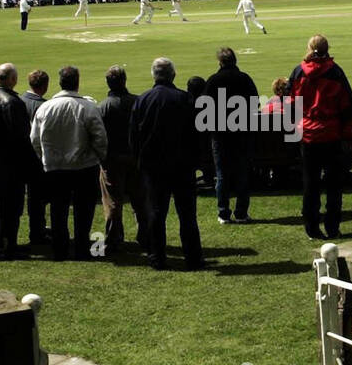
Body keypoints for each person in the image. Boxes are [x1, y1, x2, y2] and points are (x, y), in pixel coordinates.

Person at [130, 57, 203, 271]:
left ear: (154, 75)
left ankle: (157, 257)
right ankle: (193, 257)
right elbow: (196, 134)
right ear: (173, 75)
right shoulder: (185, 99)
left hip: (154, 167)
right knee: (187, 215)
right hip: (182, 166)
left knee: (156, 213)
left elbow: (133, 136)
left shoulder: (143, 100)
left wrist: (140, 161)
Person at [31, 65, 108, 261]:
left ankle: (60, 249)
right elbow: (100, 138)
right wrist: (99, 157)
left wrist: (45, 158)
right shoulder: (87, 107)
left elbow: (34, 139)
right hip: (83, 167)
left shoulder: (45, 107)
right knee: (84, 210)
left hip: (55, 167)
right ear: (77, 82)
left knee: (58, 209)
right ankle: (82, 248)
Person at [287, 34, 352, 240]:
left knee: (311, 184)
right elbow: (346, 106)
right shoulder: (335, 72)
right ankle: (332, 226)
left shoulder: (299, 72)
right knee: (334, 185)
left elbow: (292, 104)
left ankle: (311, 226)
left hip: (309, 134)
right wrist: (348, 136)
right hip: (331, 133)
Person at [0, 62, 34, 260]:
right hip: (11, 165)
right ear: (12, 79)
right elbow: (21, 137)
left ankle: (6, 243)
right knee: (11, 207)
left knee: (5, 206)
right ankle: (7, 247)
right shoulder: (11, 102)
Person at [205, 47, 258, 224]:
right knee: (242, 173)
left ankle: (223, 213)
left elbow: (205, 107)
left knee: (222, 174)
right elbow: (254, 103)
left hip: (220, 134)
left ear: (220, 62)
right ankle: (241, 212)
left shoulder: (213, 80)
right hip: (242, 132)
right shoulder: (245, 79)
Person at [98, 65, 147, 254]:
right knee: (140, 200)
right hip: (134, 157)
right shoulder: (138, 102)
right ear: (125, 80)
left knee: (112, 202)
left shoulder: (102, 107)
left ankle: (113, 239)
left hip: (112, 159)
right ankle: (146, 236)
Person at [21, 69, 50, 245]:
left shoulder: (18, 101)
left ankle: (37, 228)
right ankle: (38, 230)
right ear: (45, 85)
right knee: (39, 198)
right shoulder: (44, 106)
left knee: (32, 197)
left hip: (21, 157)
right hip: (38, 158)